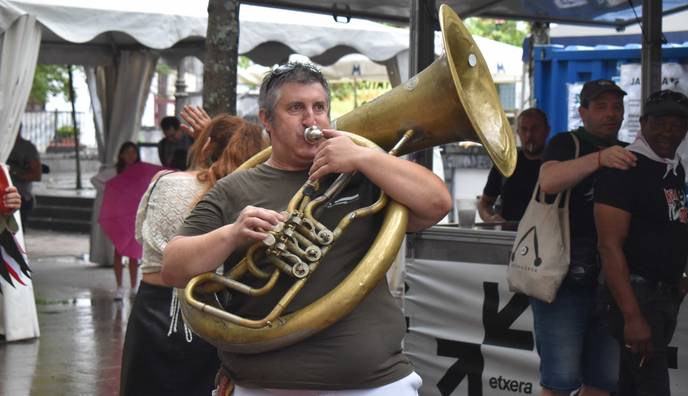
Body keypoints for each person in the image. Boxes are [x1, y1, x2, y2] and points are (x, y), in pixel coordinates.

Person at [161, 62, 452, 395]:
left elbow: (437, 204)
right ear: (267, 119)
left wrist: (366, 158)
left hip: (374, 382)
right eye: (295, 108)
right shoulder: (233, 189)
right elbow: (172, 268)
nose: (311, 120)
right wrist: (232, 233)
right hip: (262, 384)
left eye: (319, 108)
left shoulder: (360, 174)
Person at [120, 112, 268, 396]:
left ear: (206, 145)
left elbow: (142, 234)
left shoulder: (164, 181)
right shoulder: (244, 194)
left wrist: (207, 142)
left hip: (153, 309)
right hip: (211, 311)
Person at [533, 79, 638, 396]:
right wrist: (599, 159)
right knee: (559, 381)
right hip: (563, 278)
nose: (610, 114)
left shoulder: (629, 152)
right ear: (582, 112)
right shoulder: (567, 143)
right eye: (601, 106)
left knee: (603, 380)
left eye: (616, 107)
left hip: (611, 283)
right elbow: (549, 181)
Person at [595, 90, 688, 396]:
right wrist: (632, 316)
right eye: (659, 123)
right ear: (643, 123)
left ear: (687, 129)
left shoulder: (673, 167)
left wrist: (677, 274)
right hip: (636, 298)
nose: (668, 132)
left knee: (630, 388)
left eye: (676, 125)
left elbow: (665, 226)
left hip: (663, 297)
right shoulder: (624, 167)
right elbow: (609, 247)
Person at [477, 108, 550, 223]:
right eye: (524, 129)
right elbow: (484, 203)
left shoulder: (557, 164)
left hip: (547, 237)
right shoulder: (506, 163)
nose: (529, 135)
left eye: (535, 129)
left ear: (547, 131)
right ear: (518, 132)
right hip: (509, 237)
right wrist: (490, 218)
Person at [113, 142, 141, 292]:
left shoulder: (141, 172)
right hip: (119, 216)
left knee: (133, 254)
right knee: (118, 252)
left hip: (134, 215)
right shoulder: (115, 172)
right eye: (128, 152)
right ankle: (119, 286)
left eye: (134, 152)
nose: (131, 156)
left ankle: (133, 286)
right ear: (121, 155)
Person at [6, 126, 42, 227]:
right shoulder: (4, 145)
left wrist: (13, 174)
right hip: (4, 199)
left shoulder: (27, 147)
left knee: (16, 233)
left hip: (21, 197)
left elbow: (37, 175)